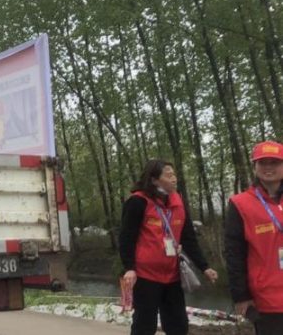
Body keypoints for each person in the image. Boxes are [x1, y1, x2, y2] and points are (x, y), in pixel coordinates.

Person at [119, 159, 218, 335]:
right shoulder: (138, 202)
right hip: (145, 276)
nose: (174, 178)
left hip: (172, 275)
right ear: (154, 180)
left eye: (174, 174)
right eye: (168, 175)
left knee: (178, 325)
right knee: (144, 325)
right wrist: (129, 268)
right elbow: (126, 238)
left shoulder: (178, 202)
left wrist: (204, 267)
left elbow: (189, 238)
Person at [225, 140, 283, 335]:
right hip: (267, 299)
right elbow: (234, 254)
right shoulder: (240, 204)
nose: (268, 167)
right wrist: (241, 296)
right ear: (255, 167)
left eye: (274, 162)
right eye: (262, 162)